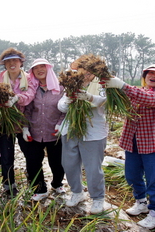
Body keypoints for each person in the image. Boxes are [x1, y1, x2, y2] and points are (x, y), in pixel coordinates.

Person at [101, 64, 155, 229]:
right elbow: (125, 101)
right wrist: (112, 89)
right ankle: (141, 201)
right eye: (150, 73)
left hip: (152, 144)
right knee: (132, 175)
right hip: (132, 141)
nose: (152, 76)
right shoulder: (137, 92)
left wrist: (122, 85)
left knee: (154, 179)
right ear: (145, 76)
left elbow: (145, 98)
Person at [58, 66, 108, 214]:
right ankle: (77, 192)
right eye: (82, 69)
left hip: (94, 133)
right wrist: (68, 99)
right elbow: (61, 106)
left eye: (89, 70)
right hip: (71, 130)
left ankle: (98, 198)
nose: (86, 73)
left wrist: (89, 97)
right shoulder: (72, 83)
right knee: (69, 164)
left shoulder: (103, 84)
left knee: (93, 168)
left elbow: (106, 103)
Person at [0, 48, 38, 196]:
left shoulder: (29, 78)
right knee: (6, 156)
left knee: (31, 155)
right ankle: (9, 185)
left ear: (21, 62)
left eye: (15, 60)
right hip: (5, 123)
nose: (12, 64)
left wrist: (17, 98)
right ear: (4, 64)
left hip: (25, 122)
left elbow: (30, 95)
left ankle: (34, 182)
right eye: (8, 61)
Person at [22, 58, 65, 201]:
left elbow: (66, 110)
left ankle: (57, 183)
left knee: (57, 161)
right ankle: (40, 189)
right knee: (33, 162)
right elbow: (27, 109)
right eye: (35, 68)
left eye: (42, 66)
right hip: (34, 132)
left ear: (48, 68)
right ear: (32, 72)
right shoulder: (31, 89)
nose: (39, 70)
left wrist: (60, 124)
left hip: (54, 132)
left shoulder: (60, 88)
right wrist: (25, 127)